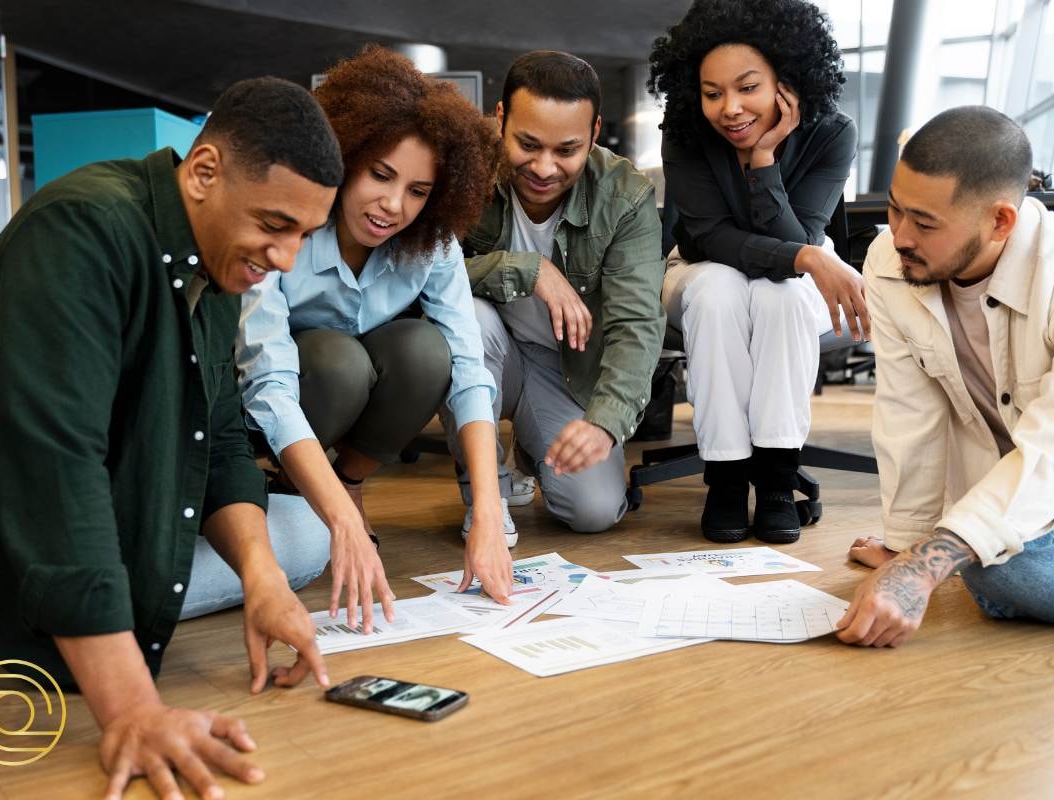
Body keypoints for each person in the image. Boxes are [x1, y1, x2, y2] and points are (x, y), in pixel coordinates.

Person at [0, 77, 343, 799]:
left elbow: (217, 441)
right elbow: (54, 467)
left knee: (299, 543)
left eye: (304, 236)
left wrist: (262, 581)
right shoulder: (80, 231)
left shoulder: (217, 265)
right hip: (6, 545)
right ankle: (66, 628)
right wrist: (131, 710)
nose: (284, 258)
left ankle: (121, 611)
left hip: (116, 507)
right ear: (205, 171)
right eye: (275, 224)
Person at [237, 46, 514, 628]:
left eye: (418, 190)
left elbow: (467, 364)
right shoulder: (288, 221)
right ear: (346, 155)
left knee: (424, 350)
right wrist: (338, 523)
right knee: (338, 361)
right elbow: (268, 379)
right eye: (380, 175)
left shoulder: (432, 242)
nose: (393, 206)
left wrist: (487, 507)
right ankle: (298, 485)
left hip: (359, 380)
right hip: (281, 396)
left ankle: (347, 480)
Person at [838, 106, 1054, 648]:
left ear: (1000, 221)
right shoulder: (890, 260)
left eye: (924, 223)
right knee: (986, 552)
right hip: (1038, 510)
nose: (899, 235)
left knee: (996, 564)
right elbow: (909, 415)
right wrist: (906, 548)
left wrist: (927, 567)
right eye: (895, 209)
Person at [647, 0, 869, 545]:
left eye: (748, 87)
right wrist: (805, 256)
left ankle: (774, 481)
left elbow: (799, 245)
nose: (729, 108)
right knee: (722, 290)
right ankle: (724, 477)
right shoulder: (684, 130)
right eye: (712, 92)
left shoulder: (831, 133)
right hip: (701, 268)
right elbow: (708, 237)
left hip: (796, 279)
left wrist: (765, 157)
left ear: (786, 81)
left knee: (782, 298)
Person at [440, 50, 666, 538]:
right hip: (489, 344)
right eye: (527, 144)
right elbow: (425, 279)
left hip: (565, 370)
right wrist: (528, 269)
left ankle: (529, 446)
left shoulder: (625, 196)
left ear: (593, 132)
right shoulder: (463, 171)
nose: (544, 168)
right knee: (466, 317)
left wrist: (605, 424)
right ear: (500, 119)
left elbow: (638, 326)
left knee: (594, 511)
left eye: (567, 150)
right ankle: (487, 495)